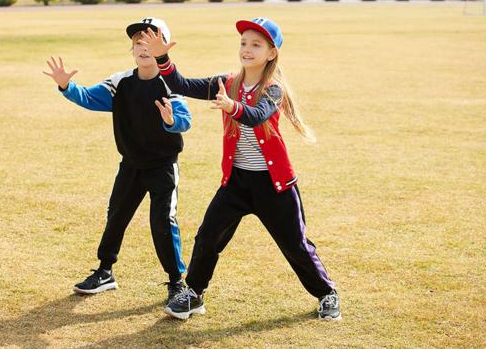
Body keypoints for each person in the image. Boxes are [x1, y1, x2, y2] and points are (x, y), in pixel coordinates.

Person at [138, 17, 341, 320]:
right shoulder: (229, 82)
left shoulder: (273, 89)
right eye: (244, 43)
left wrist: (231, 106)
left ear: (271, 53)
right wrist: (162, 57)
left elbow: (257, 115)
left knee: (295, 245)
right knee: (208, 237)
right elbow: (182, 84)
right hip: (236, 182)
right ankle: (194, 294)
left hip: (274, 185)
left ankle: (327, 294)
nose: (247, 49)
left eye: (256, 45)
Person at [43, 17, 191, 303]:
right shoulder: (120, 82)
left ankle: (177, 282)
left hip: (162, 166)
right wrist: (66, 86)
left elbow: (185, 120)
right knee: (116, 215)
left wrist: (172, 120)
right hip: (131, 165)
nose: (143, 47)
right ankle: (105, 271)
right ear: (131, 50)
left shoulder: (169, 83)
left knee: (162, 221)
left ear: (163, 47)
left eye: (150, 41)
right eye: (137, 42)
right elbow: (88, 96)